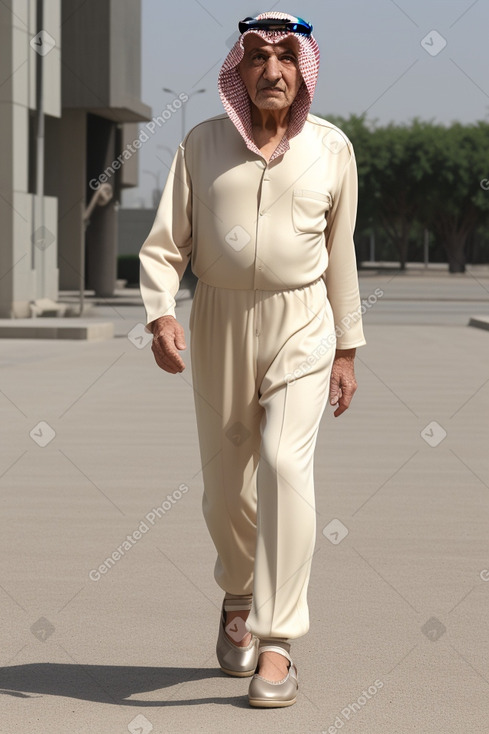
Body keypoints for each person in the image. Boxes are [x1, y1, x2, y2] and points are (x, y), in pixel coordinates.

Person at [139, 11, 366, 708]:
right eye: (257, 58)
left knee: (282, 462)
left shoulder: (331, 149)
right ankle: (238, 593)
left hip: (303, 322)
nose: (272, 71)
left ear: (303, 71)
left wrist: (347, 349)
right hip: (219, 321)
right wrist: (159, 313)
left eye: (285, 58)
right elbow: (165, 244)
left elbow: (340, 254)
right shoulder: (201, 146)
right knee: (224, 489)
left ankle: (276, 642)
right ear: (236, 73)